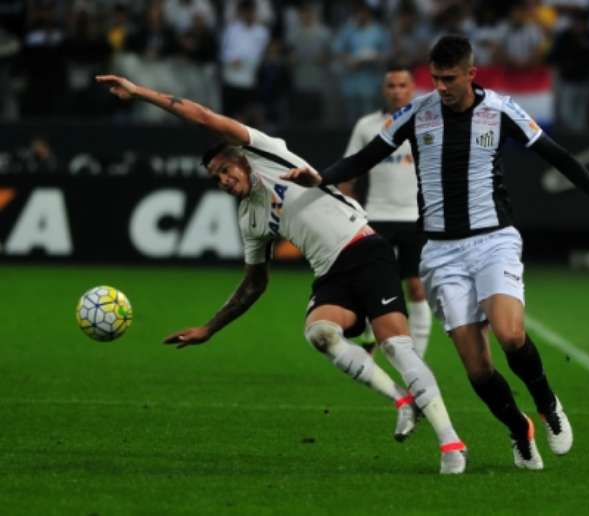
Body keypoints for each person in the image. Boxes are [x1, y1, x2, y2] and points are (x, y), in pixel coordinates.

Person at [282, 35, 589, 470]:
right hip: (440, 252)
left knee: (511, 334)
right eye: (435, 78)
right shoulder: (416, 114)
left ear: (471, 74)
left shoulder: (501, 109)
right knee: (477, 369)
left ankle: (548, 405)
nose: (440, 87)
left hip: (493, 239)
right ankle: (518, 429)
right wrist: (318, 177)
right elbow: (363, 158)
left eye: (449, 78)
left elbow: (557, 154)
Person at [94, 74, 467, 474]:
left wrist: (140, 93)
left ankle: (451, 445)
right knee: (319, 333)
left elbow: (200, 115)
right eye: (216, 179)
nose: (223, 180)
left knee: (397, 348)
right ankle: (401, 399)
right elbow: (255, 282)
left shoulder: (266, 152)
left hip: (364, 247)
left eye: (224, 169)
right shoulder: (250, 217)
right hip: (331, 274)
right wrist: (210, 328)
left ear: (239, 156)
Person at [340, 63, 432, 359]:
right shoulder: (367, 126)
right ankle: (369, 333)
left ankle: (417, 359)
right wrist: (349, 211)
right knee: (371, 284)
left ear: (412, 89)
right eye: (391, 86)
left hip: (415, 218)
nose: (396, 91)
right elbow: (349, 172)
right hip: (376, 215)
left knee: (416, 289)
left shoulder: (427, 123)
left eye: (402, 85)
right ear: (384, 90)